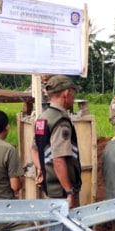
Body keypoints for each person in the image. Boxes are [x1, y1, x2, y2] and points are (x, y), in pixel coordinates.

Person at [31, 75, 82, 209]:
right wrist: (69, 191)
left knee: (54, 225)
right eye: (73, 92)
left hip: (51, 187)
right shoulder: (60, 122)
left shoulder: (42, 118)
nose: (73, 97)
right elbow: (58, 159)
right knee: (68, 228)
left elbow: (34, 150)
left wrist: (42, 168)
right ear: (66, 93)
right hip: (61, 191)